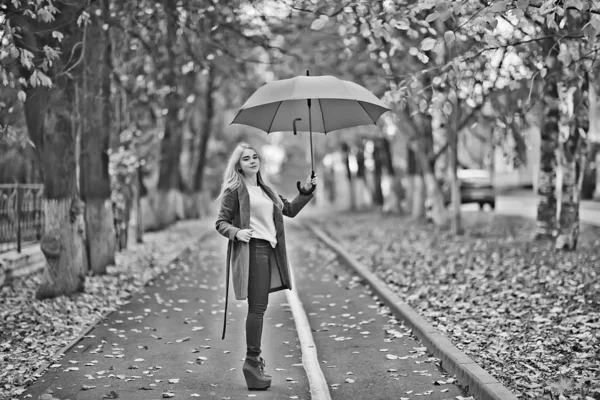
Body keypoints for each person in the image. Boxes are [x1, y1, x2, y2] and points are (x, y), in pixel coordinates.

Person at [215, 142, 317, 391]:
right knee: (258, 308)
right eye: (246, 158)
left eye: (255, 157)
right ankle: (251, 362)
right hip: (254, 250)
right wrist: (237, 233)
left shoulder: (266, 190)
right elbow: (220, 222)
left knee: (259, 307)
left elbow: (289, 210)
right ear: (238, 165)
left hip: (269, 252)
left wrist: (306, 192)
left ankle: (253, 362)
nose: (252, 161)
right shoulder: (235, 190)